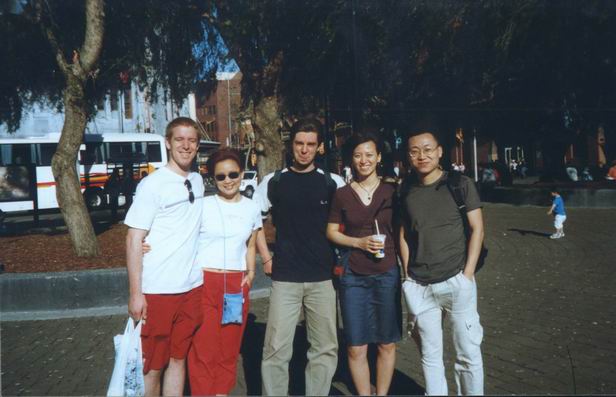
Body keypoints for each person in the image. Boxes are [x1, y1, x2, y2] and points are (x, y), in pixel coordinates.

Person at [256, 117, 345, 396]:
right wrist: (266, 259)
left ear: (319, 148)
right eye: (299, 143)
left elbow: (350, 222)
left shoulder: (334, 183)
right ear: (291, 144)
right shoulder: (274, 181)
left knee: (324, 349)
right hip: (286, 278)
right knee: (275, 350)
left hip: (323, 279)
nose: (304, 150)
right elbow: (253, 222)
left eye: (310, 144)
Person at [399, 129, 485, 395]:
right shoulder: (405, 189)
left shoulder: (460, 184)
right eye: (414, 151)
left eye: (427, 149)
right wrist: (407, 275)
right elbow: (402, 234)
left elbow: (477, 229)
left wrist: (467, 274)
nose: (421, 156)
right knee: (430, 356)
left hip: (456, 280)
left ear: (439, 151)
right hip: (420, 285)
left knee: (468, 354)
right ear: (408, 156)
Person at [124, 117, 205, 396]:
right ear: (168, 143)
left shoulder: (198, 180)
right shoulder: (152, 184)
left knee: (178, 358)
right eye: (179, 139)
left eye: (192, 140)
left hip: (192, 288)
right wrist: (136, 294)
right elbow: (134, 237)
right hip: (158, 290)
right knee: (152, 367)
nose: (186, 145)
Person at [326, 132, 401, 395]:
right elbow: (332, 232)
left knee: (386, 342)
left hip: (386, 273)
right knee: (356, 345)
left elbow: (402, 232)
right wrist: (358, 243)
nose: (364, 160)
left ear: (379, 157)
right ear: (351, 159)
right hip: (353, 276)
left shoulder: (393, 191)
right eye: (358, 155)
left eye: (369, 154)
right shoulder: (342, 194)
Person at [187, 148, 262, 395]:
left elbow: (251, 244)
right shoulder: (202, 205)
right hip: (205, 283)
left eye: (233, 174)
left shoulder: (252, 207)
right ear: (213, 179)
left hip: (235, 286)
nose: (228, 180)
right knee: (204, 349)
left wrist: (251, 275)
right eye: (221, 176)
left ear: (241, 173)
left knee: (229, 348)